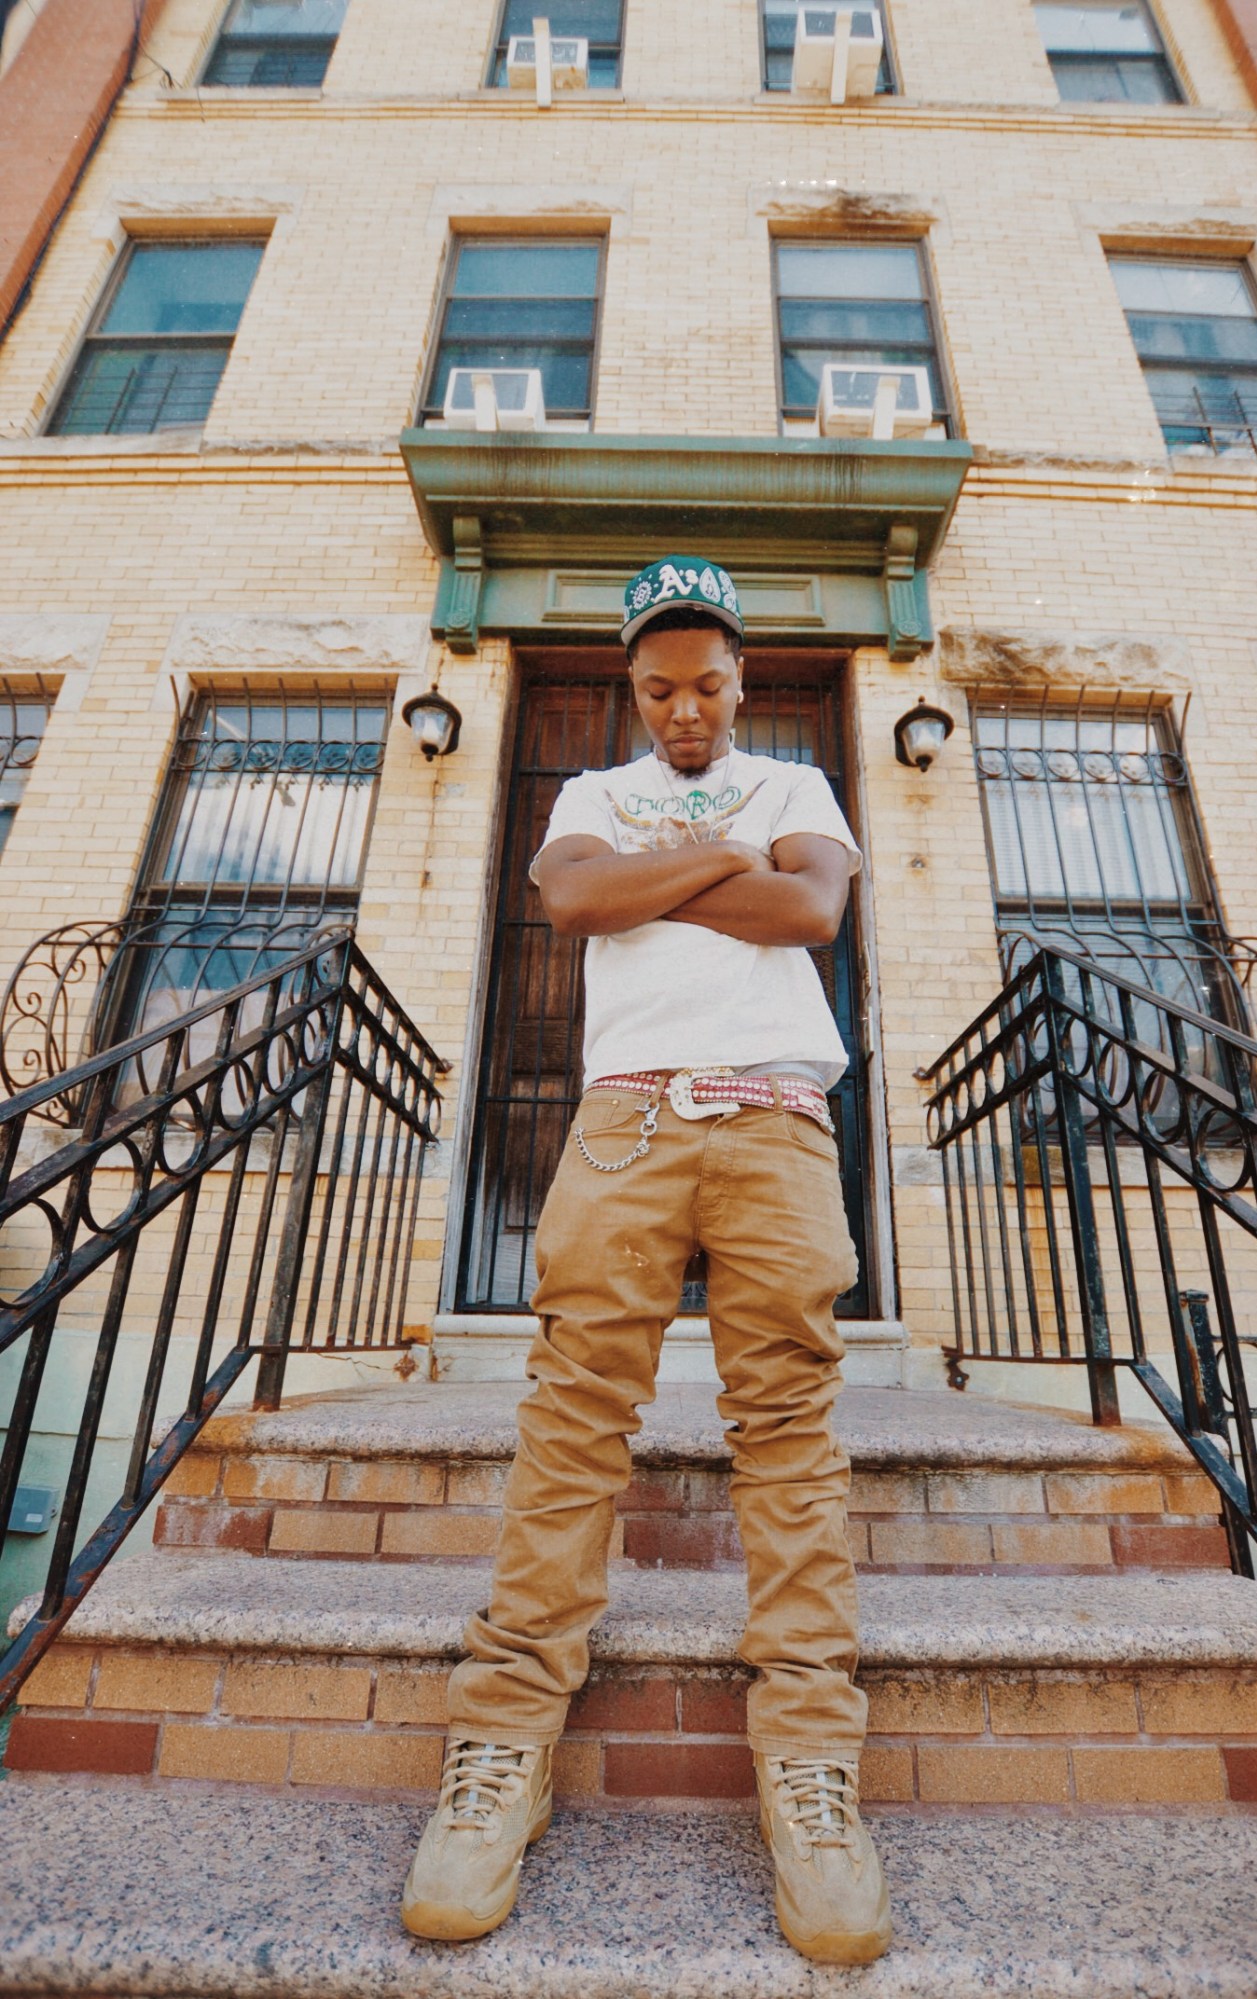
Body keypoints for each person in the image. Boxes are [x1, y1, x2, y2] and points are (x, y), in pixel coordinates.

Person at [400, 556, 891, 1966]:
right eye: (661, 686)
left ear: (744, 680)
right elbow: (569, 905)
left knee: (788, 1431)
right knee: (572, 1425)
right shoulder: (586, 797)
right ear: (635, 688)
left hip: (779, 1122)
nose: (687, 706)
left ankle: (810, 1770)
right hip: (621, 1124)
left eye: (710, 682)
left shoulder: (800, 782)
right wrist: (727, 864)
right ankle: (500, 1753)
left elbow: (813, 919)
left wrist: (657, 885)